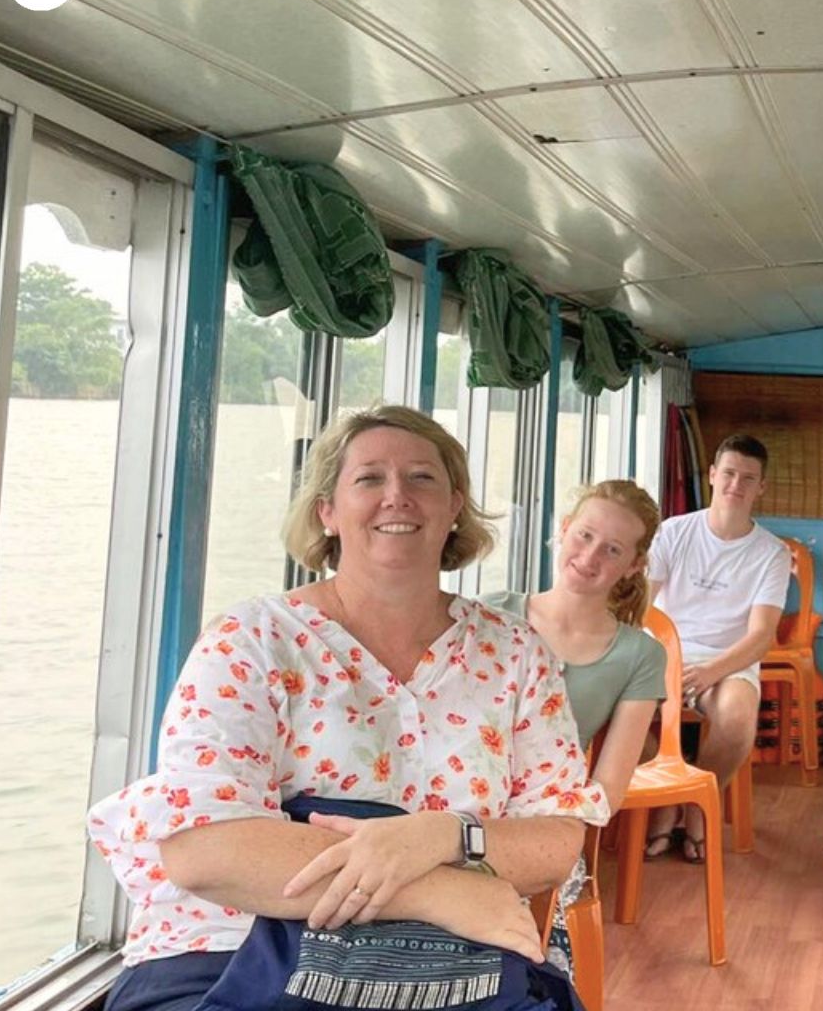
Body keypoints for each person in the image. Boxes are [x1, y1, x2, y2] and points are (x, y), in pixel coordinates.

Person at [85, 405, 612, 1011]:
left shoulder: (515, 653)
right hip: (233, 950)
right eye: (368, 479)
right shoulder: (252, 640)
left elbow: (555, 840)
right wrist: (434, 891)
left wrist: (442, 834)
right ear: (327, 512)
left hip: (449, 963)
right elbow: (203, 849)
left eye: (422, 478)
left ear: (454, 506)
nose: (397, 497)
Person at [481, 478, 667, 975]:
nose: (590, 556)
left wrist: (541, 834)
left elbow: (607, 789)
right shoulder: (490, 612)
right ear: (563, 531)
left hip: (545, 821)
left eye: (612, 549)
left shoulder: (640, 655)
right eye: (584, 536)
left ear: (633, 565)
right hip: (454, 801)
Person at [641, 433, 790, 863]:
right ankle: (669, 794)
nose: (735, 485)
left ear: (761, 487)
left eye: (748, 478)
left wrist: (711, 671)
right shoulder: (673, 532)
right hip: (664, 654)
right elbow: (640, 608)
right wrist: (662, 661)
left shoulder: (771, 554)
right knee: (613, 712)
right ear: (711, 475)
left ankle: (697, 804)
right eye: (728, 473)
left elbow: (760, 637)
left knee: (738, 717)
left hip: (728, 661)